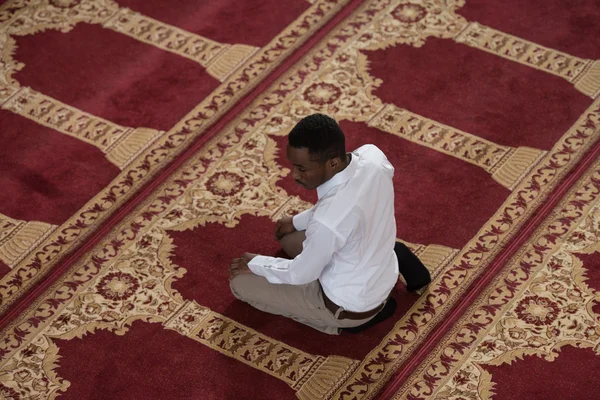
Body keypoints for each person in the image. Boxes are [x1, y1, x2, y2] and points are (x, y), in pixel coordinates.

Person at [229, 113, 429, 335]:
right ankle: (396, 254)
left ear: (332, 163)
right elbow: (344, 207)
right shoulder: (373, 157)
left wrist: (256, 264)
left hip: (349, 305)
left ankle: (351, 322)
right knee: (288, 239)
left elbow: (301, 274)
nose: (293, 175)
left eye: (302, 168)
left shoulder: (328, 221)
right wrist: (295, 222)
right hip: (380, 263)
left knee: (240, 284)